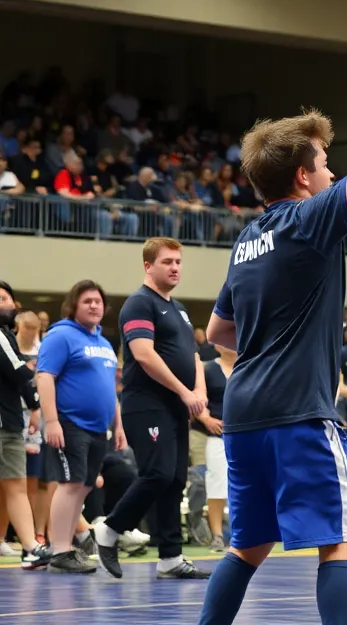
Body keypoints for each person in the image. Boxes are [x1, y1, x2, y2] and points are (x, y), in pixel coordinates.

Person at [170, 58, 347, 625]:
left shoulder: (248, 238)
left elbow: (220, 330)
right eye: (327, 166)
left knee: (247, 544)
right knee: (342, 537)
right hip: (297, 411)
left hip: (247, 409)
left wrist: (264, 349)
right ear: (304, 177)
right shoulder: (309, 221)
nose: (335, 175)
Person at [95, 238, 210, 581]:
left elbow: (193, 357)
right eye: (167, 262)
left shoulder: (181, 309)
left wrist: (197, 392)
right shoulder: (138, 304)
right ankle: (110, 529)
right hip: (146, 404)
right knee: (158, 474)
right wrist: (183, 391)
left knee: (175, 480)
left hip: (176, 405)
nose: (175, 267)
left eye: (178, 261)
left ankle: (170, 557)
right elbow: (144, 355)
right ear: (148, 266)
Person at [36, 280, 126, 574]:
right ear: (73, 305)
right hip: (69, 423)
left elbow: (109, 389)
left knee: (85, 486)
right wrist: (51, 421)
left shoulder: (102, 343)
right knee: (70, 484)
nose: (94, 305)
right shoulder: (61, 336)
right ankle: (60, 550)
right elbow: (45, 376)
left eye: (98, 301)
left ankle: (68, 547)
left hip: (99, 428)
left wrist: (119, 425)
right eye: (87, 301)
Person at [0, 281, 48, 568]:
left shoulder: (7, 336)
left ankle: (30, 546)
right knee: (17, 486)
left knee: (15, 487)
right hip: (6, 424)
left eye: (4, 298)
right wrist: (37, 404)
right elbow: (19, 373)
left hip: (8, 424)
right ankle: (30, 547)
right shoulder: (1, 336)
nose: (2, 303)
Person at [195, 343, 235, 553]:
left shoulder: (249, 367)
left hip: (246, 434)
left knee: (251, 485)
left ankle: (245, 533)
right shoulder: (207, 368)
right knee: (217, 484)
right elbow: (198, 399)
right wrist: (206, 419)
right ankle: (217, 535)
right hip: (217, 434)